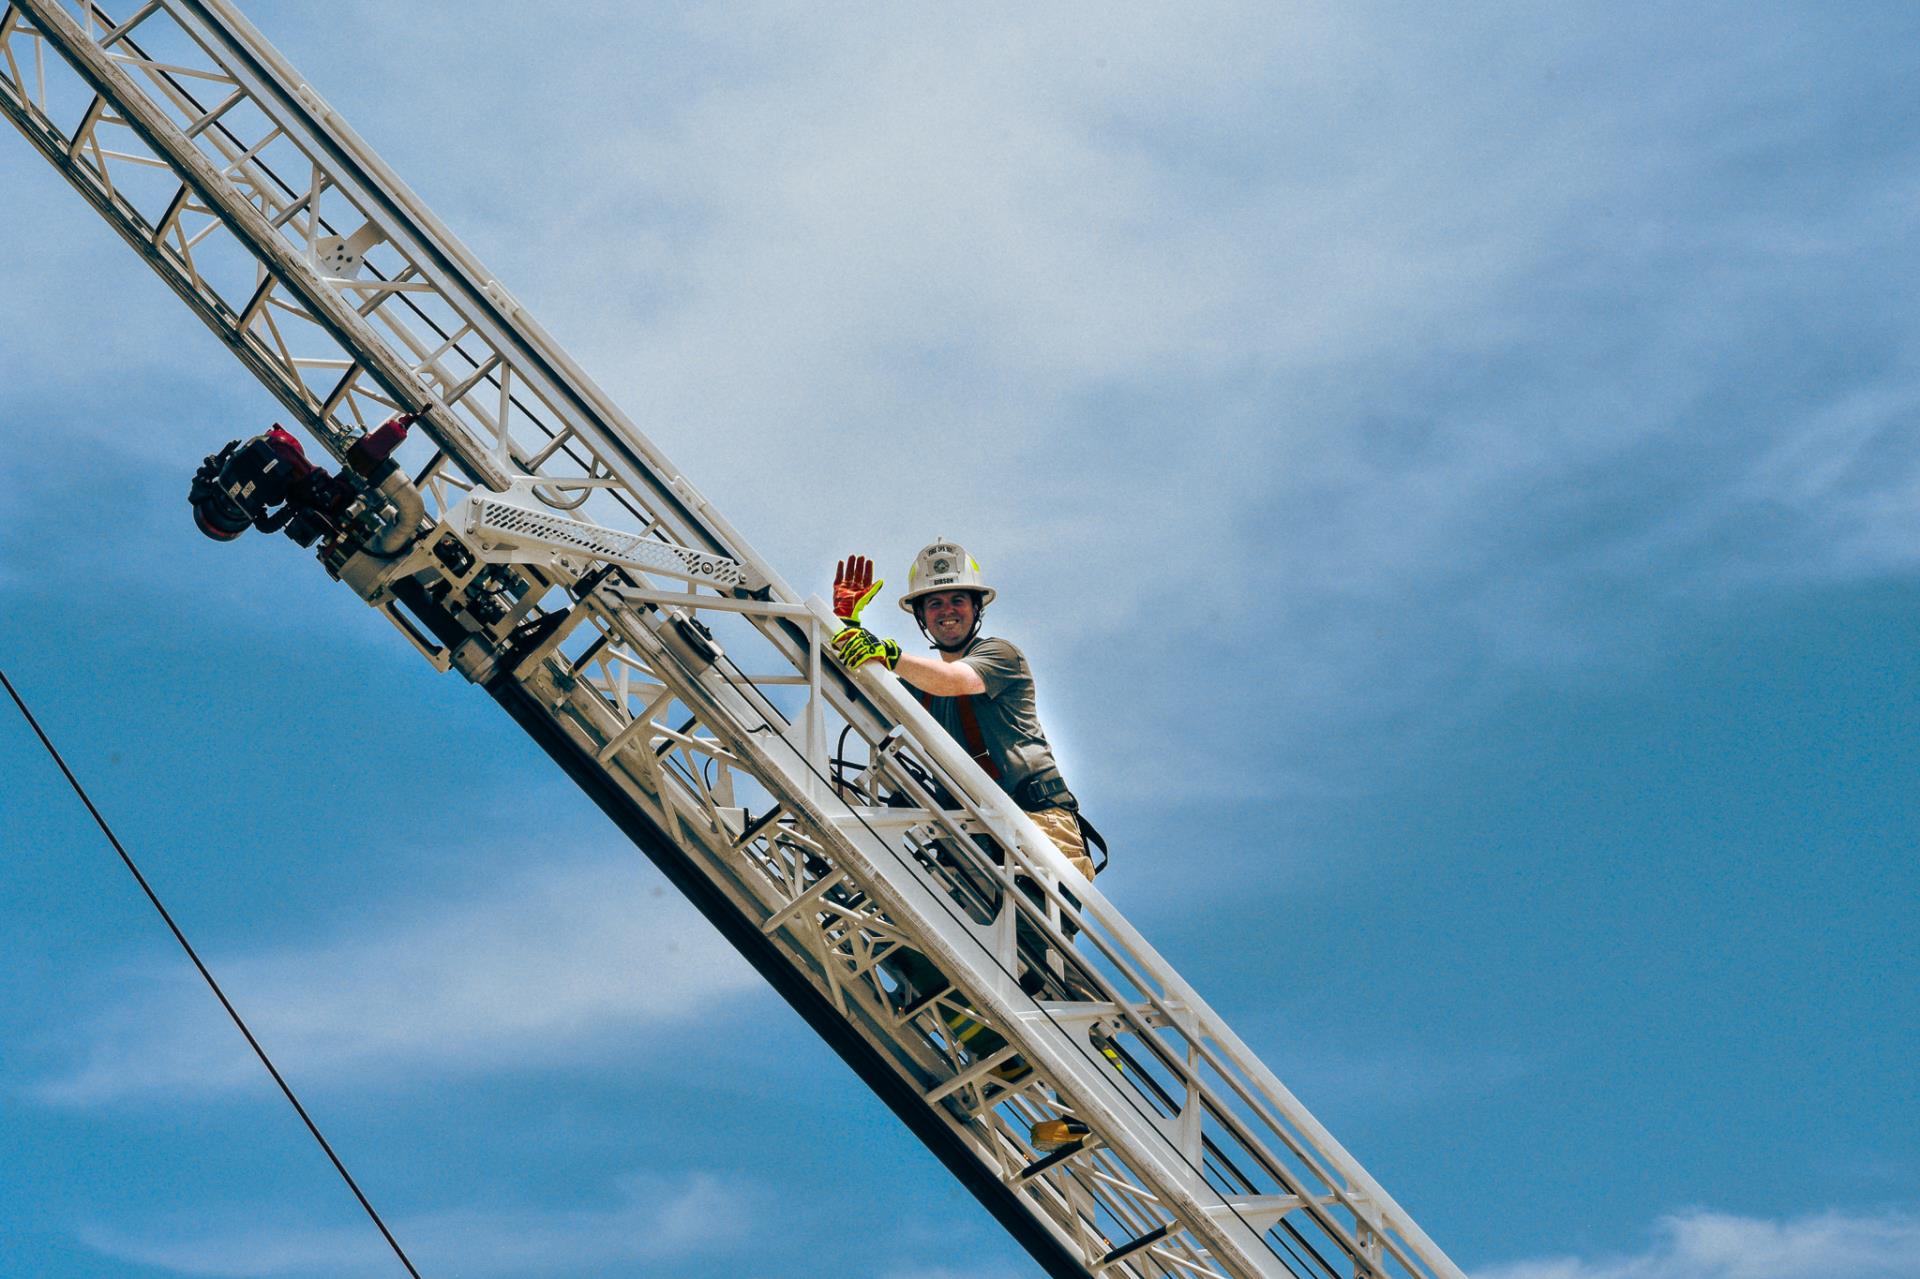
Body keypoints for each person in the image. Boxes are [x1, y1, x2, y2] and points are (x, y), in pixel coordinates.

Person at [829, 541, 1094, 880]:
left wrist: (890, 656)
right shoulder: (919, 687)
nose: (947, 611)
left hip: (1036, 822)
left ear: (976, 607)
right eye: (935, 603)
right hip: (970, 837)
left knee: (1035, 914)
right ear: (922, 616)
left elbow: (954, 680)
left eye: (957, 600)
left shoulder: (1001, 655)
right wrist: (846, 623)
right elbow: (860, 685)